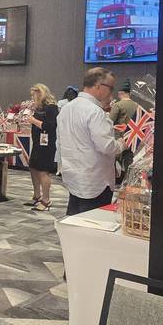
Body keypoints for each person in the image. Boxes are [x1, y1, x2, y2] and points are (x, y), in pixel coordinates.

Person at [56, 67, 124, 216]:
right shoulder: (94, 111)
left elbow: (60, 144)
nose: (111, 94)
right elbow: (106, 146)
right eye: (111, 88)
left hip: (74, 176)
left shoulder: (66, 109)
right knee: (93, 226)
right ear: (99, 86)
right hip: (96, 181)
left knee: (75, 224)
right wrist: (121, 144)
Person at [25, 84, 59, 211]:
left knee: (43, 171)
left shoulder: (52, 108)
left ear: (41, 94)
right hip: (38, 143)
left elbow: (50, 126)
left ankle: (46, 200)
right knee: (33, 167)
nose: (33, 97)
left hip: (47, 145)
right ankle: (37, 195)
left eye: (34, 95)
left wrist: (33, 120)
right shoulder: (38, 107)